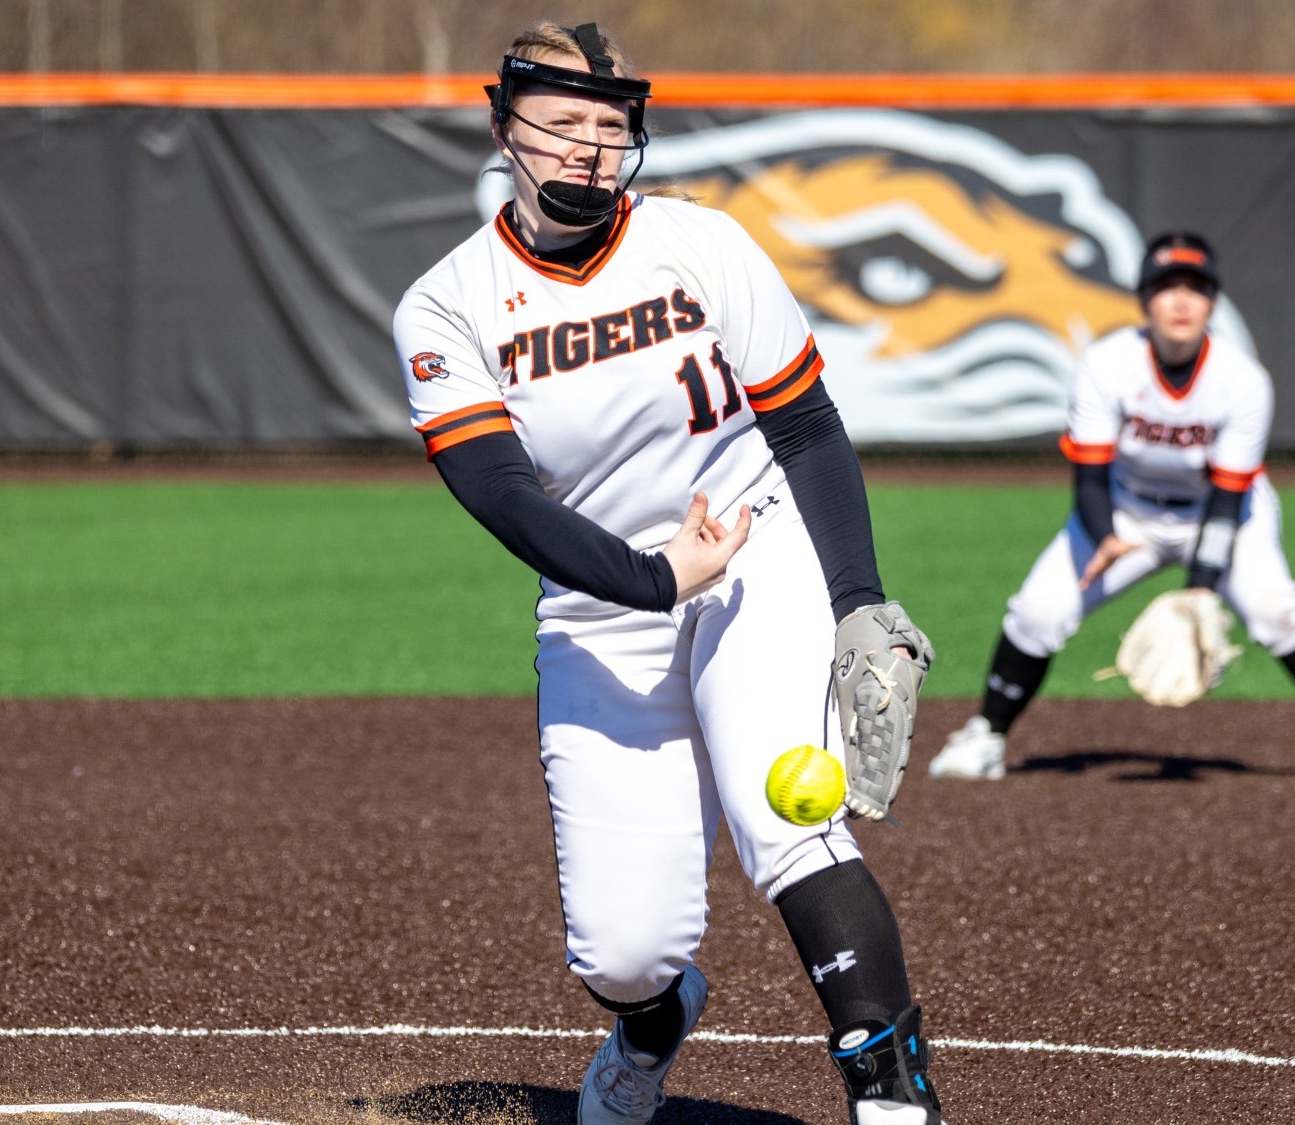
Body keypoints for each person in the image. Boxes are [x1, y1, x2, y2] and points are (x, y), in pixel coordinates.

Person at [392, 21, 946, 1125]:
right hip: (607, 597)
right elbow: (502, 495)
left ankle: (892, 1096)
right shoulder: (445, 305)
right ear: (504, 130)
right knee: (624, 950)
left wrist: (857, 600)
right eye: (560, 126)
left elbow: (807, 427)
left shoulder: (701, 243)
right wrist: (653, 578)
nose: (589, 151)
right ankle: (651, 1019)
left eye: (609, 128)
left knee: (787, 818)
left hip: (752, 545)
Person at [927, 232, 1295, 786]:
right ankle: (986, 735)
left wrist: (1201, 587)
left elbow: (1230, 494)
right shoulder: (1107, 365)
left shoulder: (1242, 381)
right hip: (1125, 510)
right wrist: (1105, 537)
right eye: (1166, 288)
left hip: (1224, 510)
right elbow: (1088, 475)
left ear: (1212, 301)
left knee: (1277, 610)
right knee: (1038, 610)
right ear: (1144, 301)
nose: (1181, 301)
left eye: (1196, 288)